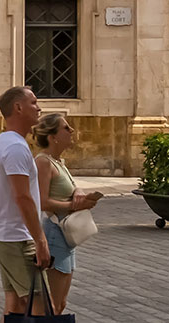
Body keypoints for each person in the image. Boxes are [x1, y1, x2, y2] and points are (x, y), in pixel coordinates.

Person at [0, 86, 50, 318]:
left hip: (6, 235)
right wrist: (41, 241)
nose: (39, 107)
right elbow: (23, 197)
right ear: (18, 107)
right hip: (17, 238)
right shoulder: (14, 147)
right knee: (39, 305)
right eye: (33, 102)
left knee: (16, 305)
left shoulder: (5, 142)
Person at [33, 111, 102, 314]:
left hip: (66, 237)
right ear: (53, 137)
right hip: (55, 233)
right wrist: (75, 206)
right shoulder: (43, 162)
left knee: (60, 303)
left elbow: (70, 189)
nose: (71, 130)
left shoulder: (59, 162)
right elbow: (43, 202)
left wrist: (79, 192)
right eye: (65, 127)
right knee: (52, 305)